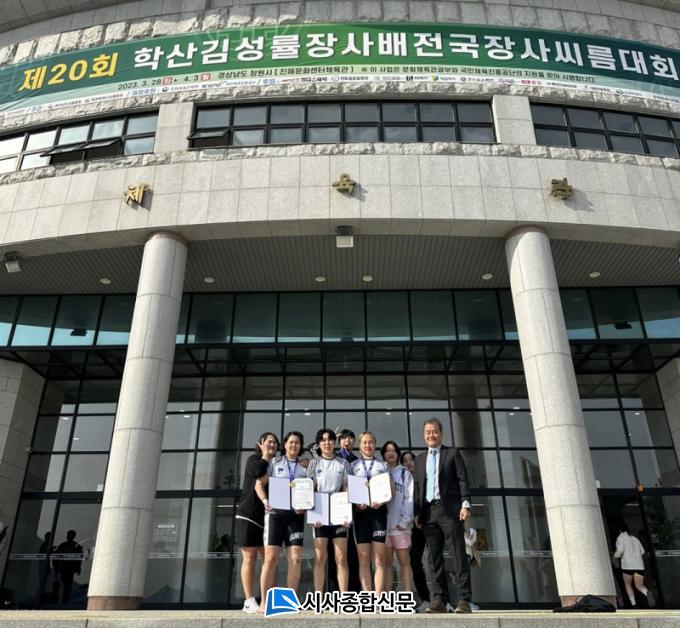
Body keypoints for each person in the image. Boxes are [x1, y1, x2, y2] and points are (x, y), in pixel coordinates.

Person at [414, 418, 472, 614]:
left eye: (434, 431)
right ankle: (439, 600)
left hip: (450, 511)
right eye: (427, 432)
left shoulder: (452, 453)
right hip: (428, 513)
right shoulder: (419, 459)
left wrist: (465, 504)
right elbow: (418, 488)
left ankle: (464, 600)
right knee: (433, 559)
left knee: (458, 554)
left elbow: (463, 479)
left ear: (441, 433)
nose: (431, 435)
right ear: (424, 435)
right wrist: (417, 513)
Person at [259, 431, 308, 597]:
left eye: (297, 442)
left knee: (295, 559)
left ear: (300, 446)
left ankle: (289, 600)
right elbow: (259, 484)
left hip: (296, 517)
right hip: (275, 516)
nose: (294, 445)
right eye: (291, 442)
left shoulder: (304, 468)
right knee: (270, 559)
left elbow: (310, 492)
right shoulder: (274, 462)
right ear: (285, 445)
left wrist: (305, 506)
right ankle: (265, 601)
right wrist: (265, 500)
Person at [235, 431, 279, 613]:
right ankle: (249, 600)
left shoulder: (276, 464)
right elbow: (256, 472)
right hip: (248, 515)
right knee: (250, 557)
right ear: (261, 443)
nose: (272, 445)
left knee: (269, 559)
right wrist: (265, 456)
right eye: (268, 442)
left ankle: (268, 599)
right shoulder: (254, 459)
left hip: (267, 517)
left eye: (274, 443)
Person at [307, 428, 351, 593]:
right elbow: (309, 490)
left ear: (334, 442)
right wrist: (312, 515)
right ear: (319, 444)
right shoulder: (314, 463)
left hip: (339, 514)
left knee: (341, 558)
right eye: (323, 440)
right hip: (320, 514)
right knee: (320, 558)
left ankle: (344, 598)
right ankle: (319, 597)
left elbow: (347, 489)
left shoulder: (343, 463)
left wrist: (347, 514)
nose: (327, 443)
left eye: (330, 439)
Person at [350, 431, 390, 594]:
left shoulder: (383, 465)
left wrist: (383, 500)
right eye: (365, 442)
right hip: (361, 515)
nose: (368, 445)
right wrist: (355, 502)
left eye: (371, 442)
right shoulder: (353, 466)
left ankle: (379, 599)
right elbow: (347, 488)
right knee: (364, 558)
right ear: (360, 446)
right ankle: (367, 597)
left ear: (375, 444)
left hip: (378, 514)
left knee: (379, 558)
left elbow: (390, 490)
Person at [328, 427, 361, 593]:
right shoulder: (332, 457)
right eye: (343, 438)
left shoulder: (357, 461)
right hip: (333, 510)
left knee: (352, 553)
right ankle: (334, 592)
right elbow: (314, 447)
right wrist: (332, 436)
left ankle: (354, 592)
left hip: (353, 510)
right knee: (333, 553)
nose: (347, 441)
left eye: (350, 438)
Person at [381, 440, 414, 595]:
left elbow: (409, 498)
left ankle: (407, 596)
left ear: (398, 454)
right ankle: (386, 598)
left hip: (400, 526)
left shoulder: (404, 473)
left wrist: (405, 520)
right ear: (383, 454)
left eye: (393, 450)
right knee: (386, 564)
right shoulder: (379, 473)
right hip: (384, 526)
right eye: (387, 450)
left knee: (404, 562)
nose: (390, 453)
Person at [402, 450, 431, 612]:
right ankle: (425, 598)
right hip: (411, 527)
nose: (408, 463)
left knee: (435, 559)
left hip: (426, 523)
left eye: (411, 460)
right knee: (414, 561)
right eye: (405, 461)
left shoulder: (425, 478)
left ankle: (443, 599)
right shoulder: (403, 481)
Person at [613, 524, 655, 608]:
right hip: (639, 566)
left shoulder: (620, 538)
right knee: (639, 586)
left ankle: (634, 604)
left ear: (619, 530)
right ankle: (646, 592)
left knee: (628, 585)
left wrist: (614, 557)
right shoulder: (635, 538)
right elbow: (642, 551)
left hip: (628, 566)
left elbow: (620, 551)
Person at [52, 530, 82, 604]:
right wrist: (56, 568)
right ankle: (59, 601)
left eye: (71, 535)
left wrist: (78, 567)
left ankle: (64, 602)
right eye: (68, 535)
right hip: (62, 569)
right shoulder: (63, 545)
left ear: (73, 536)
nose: (69, 537)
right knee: (61, 586)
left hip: (69, 570)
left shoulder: (76, 546)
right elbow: (56, 557)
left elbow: (79, 558)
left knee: (67, 587)